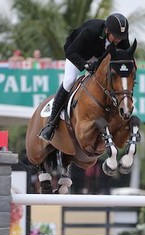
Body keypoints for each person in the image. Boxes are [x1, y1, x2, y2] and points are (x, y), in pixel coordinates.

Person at [39, 13, 131, 141]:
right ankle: (51, 123)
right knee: (69, 81)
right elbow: (71, 52)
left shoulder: (121, 38)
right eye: (115, 37)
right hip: (78, 54)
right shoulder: (91, 32)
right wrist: (86, 65)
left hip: (99, 57)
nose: (118, 40)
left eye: (121, 37)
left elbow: (126, 57)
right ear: (107, 30)